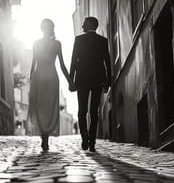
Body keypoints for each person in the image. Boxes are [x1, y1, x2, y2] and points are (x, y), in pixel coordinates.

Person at [28, 19, 73, 151]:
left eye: (48, 26)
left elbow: (62, 64)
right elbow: (33, 63)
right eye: (45, 26)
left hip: (50, 78)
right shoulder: (37, 44)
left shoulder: (56, 44)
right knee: (40, 107)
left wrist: (70, 80)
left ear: (51, 28)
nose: (46, 28)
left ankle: (45, 136)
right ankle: (44, 136)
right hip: (40, 78)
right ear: (42, 28)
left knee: (48, 108)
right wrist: (31, 79)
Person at [69, 17, 111, 152]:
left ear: (89, 25)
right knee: (94, 112)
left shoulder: (79, 40)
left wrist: (71, 80)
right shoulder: (103, 41)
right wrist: (108, 81)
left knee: (82, 111)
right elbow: (107, 62)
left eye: (83, 24)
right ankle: (92, 141)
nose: (81, 26)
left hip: (82, 79)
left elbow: (73, 61)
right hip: (98, 78)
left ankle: (84, 137)